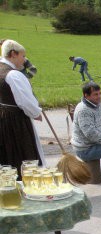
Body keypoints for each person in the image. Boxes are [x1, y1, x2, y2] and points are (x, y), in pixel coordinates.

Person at [0, 39, 45, 175]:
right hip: (16, 121)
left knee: (7, 154)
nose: (24, 60)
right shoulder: (13, 75)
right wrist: (36, 112)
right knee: (22, 155)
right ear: (13, 54)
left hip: (3, 117)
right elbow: (25, 102)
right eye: (23, 56)